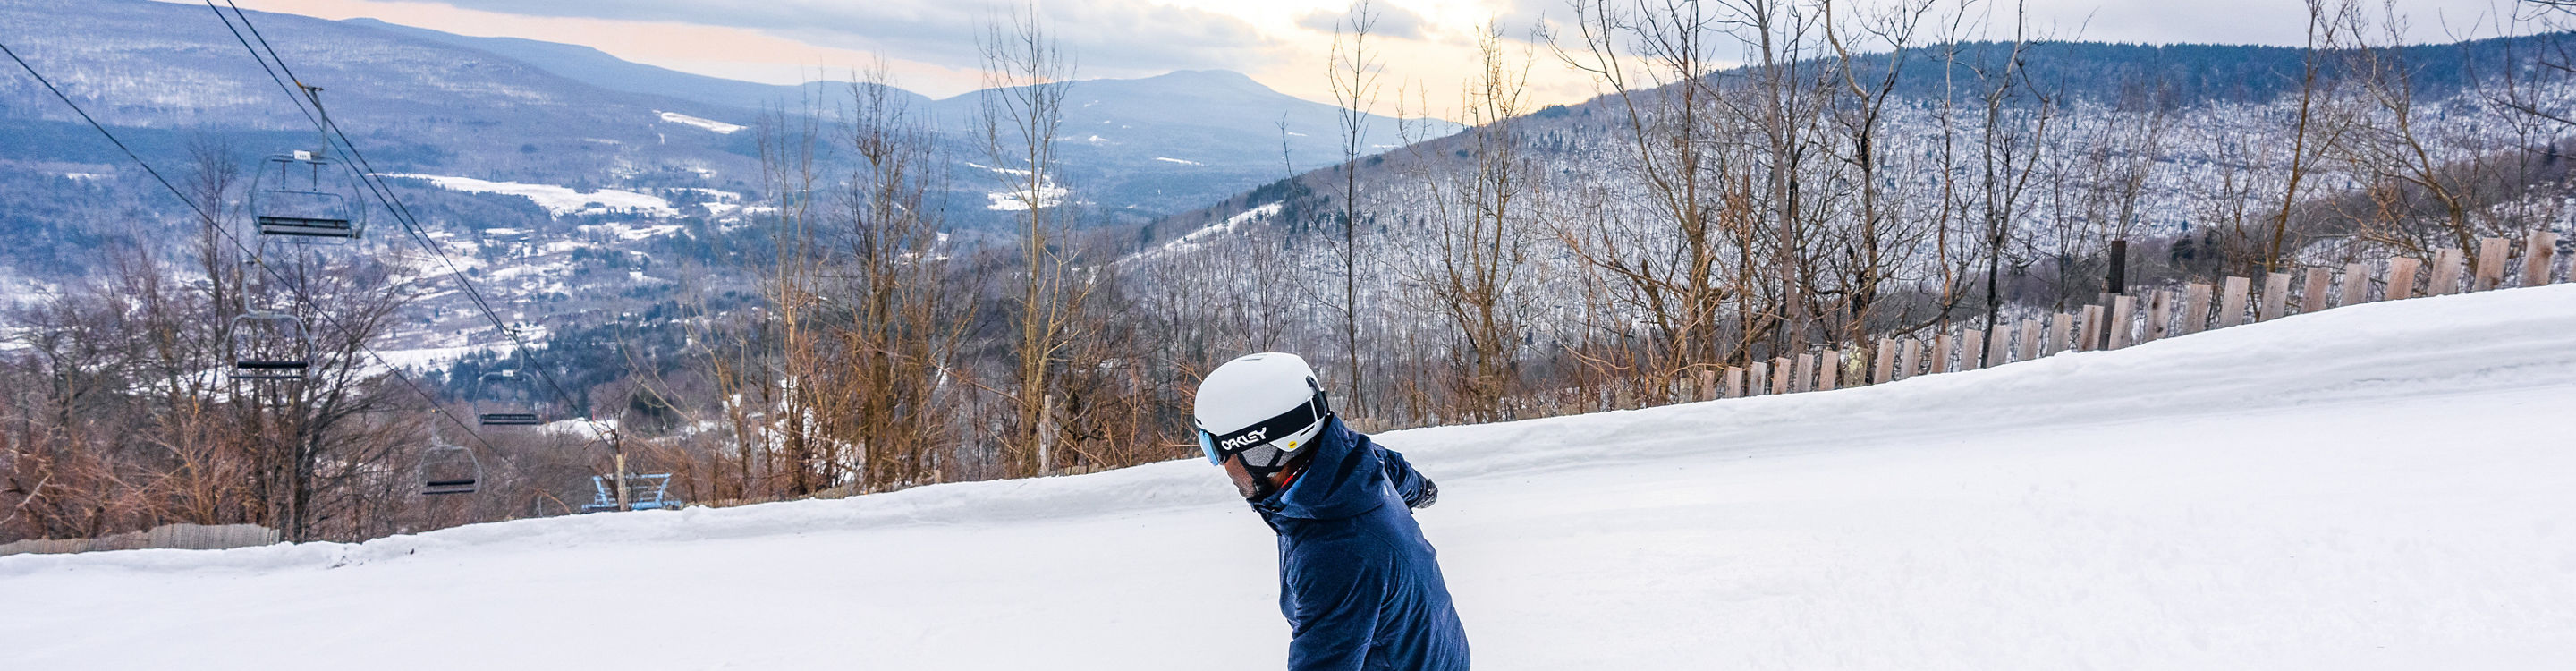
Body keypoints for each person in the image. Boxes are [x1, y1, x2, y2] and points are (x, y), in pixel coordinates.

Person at [1193, 352, 1470, 671]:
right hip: (1439, 647)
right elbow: (1398, 471)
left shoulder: (1335, 552)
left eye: (1214, 449)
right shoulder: (1348, 461)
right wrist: (1423, 492)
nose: (1219, 466)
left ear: (1261, 451)